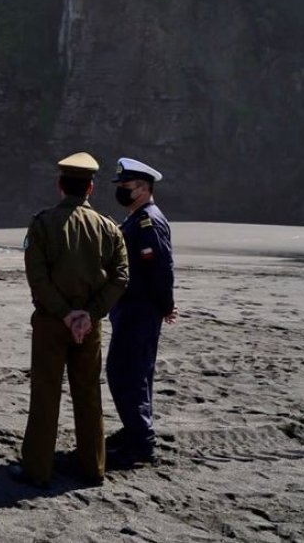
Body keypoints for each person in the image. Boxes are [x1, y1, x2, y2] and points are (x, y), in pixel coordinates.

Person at [11, 152, 128, 488]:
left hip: (51, 322)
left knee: (46, 394)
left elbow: (37, 277)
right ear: (90, 188)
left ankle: (37, 469)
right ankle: (94, 467)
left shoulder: (43, 224)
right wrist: (88, 314)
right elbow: (121, 277)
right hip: (88, 327)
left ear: (60, 185)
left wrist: (64, 313)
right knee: (89, 395)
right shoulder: (109, 228)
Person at [106, 157, 177, 466]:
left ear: (145, 188)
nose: (122, 190)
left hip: (140, 308)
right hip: (131, 307)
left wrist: (166, 305)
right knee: (133, 372)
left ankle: (141, 441)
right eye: (121, 186)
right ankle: (135, 430)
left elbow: (161, 267)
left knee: (126, 373)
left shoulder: (149, 221)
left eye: (127, 187)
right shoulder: (137, 218)